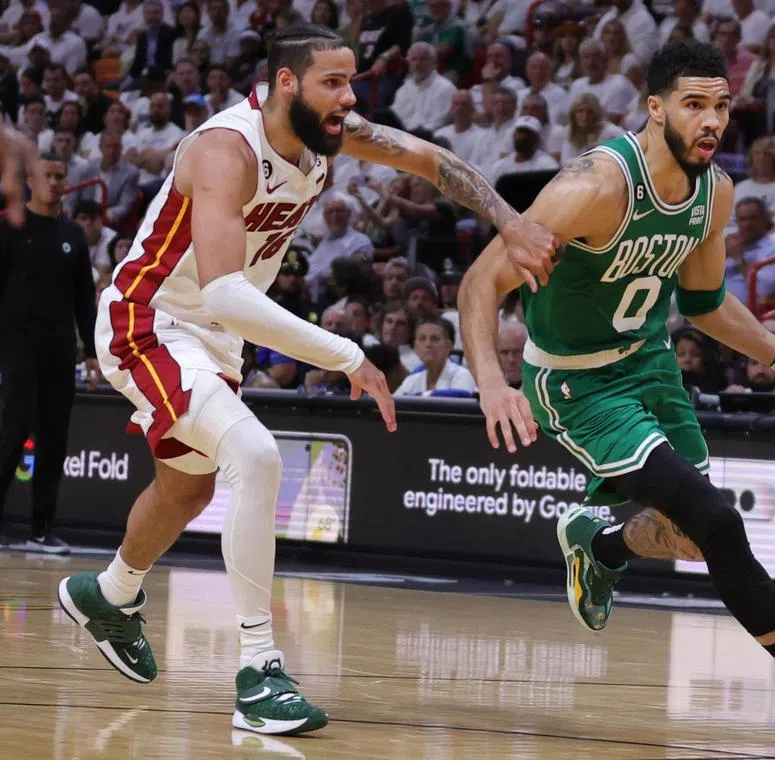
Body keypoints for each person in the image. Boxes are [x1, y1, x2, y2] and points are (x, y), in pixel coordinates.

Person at [57, 24, 557, 735]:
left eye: (351, 81)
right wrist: (347, 354)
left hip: (214, 335)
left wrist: (510, 221)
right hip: (151, 321)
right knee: (256, 456)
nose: (349, 97)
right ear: (285, 82)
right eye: (333, 82)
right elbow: (225, 291)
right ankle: (258, 671)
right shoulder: (225, 150)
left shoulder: (327, 134)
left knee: (188, 489)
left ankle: (108, 594)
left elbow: (430, 159)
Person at [456, 39, 775, 754]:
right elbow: (481, 282)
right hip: (575, 383)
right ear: (655, 108)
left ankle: (600, 545)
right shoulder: (594, 186)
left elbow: (705, 303)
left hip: (650, 363)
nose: (711, 120)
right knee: (717, 521)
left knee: (689, 535)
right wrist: (490, 384)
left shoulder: (715, 192)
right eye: (694, 104)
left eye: (721, 105)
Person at [0, 152, 97, 552]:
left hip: (60, 351)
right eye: (47, 175)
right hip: (17, 347)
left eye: (60, 176)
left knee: (54, 439)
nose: (55, 183)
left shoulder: (73, 234)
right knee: (13, 431)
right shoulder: (9, 228)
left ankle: (41, 530)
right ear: (30, 180)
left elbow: (84, 299)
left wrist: (91, 352)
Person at [394, 317, 476, 395]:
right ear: (415, 346)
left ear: (449, 345)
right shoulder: (412, 380)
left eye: (434, 339)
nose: (428, 344)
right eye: (422, 339)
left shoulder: (463, 376)